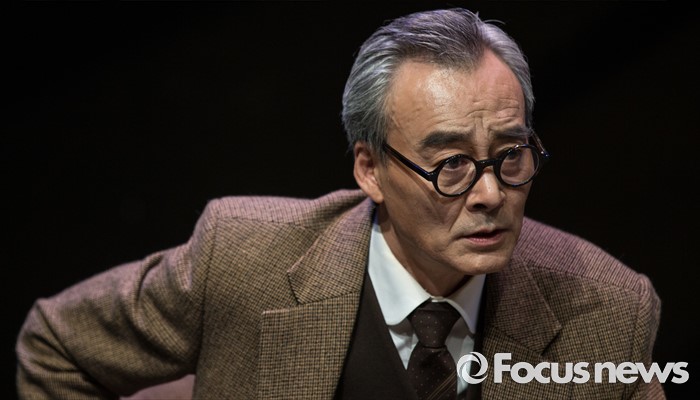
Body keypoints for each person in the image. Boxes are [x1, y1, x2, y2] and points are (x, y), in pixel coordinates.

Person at [16, 7, 663, 400]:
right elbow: (57, 349)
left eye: (511, 155)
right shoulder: (243, 258)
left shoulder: (606, 310)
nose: (491, 194)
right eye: (451, 165)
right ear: (370, 170)